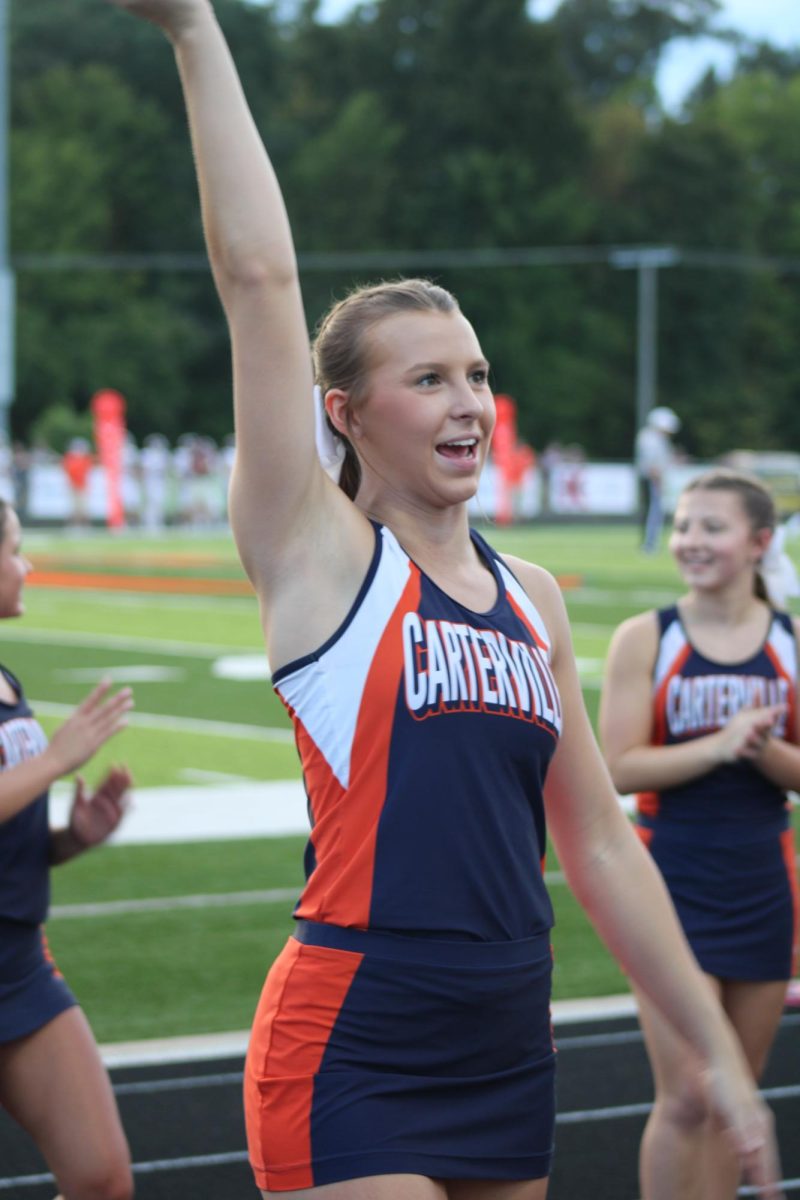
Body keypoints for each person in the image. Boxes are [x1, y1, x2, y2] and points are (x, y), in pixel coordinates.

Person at [104, 4, 783, 1198]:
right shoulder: (316, 557)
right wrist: (195, 30)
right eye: (427, 379)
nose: (468, 401)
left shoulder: (531, 597)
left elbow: (596, 844)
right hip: (355, 1030)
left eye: (475, 373)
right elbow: (258, 280)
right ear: (345, 414)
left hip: (506, 1037)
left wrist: (715, 1056)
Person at [599, 467, 800, 1200]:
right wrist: (718, 746)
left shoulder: (790, 640)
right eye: (683, 526)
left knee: (732, 1098)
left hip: (762, 883)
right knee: (686, 1094)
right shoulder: (644, 637)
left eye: (711, 527)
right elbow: (617, 767)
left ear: (759, 542)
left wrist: (767, 752)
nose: (690, 541)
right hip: (669, 882)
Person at [0, 498, 135, 1200]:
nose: (26, 566)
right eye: (15, 549)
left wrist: (70, 839)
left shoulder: (6, 676)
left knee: (102, 1180)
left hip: (17, 965)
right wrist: (56, 760)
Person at [635, 405, 680, 553]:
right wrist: (658, 480)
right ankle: (649, 544)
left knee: (654, 511)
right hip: (652, 479)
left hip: (654, 478)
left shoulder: (653, 438)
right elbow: (652, 464)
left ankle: (651, 542)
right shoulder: (650, 438)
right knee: (653, 512)